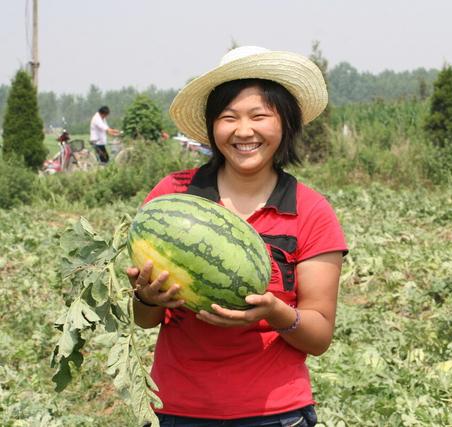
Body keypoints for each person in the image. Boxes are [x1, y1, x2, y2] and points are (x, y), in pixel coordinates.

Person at [126, 46, 348, 426]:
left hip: (276, 414)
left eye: (259, 116)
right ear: (213, 127)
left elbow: (319, 337)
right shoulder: (173, 194)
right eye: (229, 118)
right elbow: (146, 320)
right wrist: (146, 297)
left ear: (285, 124)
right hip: (179, 409)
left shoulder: (312, 212)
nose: (243, 131)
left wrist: (277, 313)